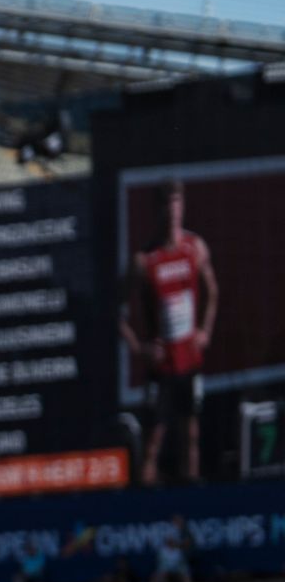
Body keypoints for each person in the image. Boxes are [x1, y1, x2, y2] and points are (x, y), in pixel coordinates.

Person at [120, 179, 218, 485]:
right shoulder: (145, 260)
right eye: (167, 205)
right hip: (161, 368)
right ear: (159, 210)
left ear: (183, 207)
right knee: (154, 441)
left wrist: (204, 330)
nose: (173, 211)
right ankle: (147, 511)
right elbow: (116, 311)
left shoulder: (194, 247)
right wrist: (139, 348)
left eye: (178, 204)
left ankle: (193, 503)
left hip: (190, 361)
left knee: (191, 434)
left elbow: (212, 291)